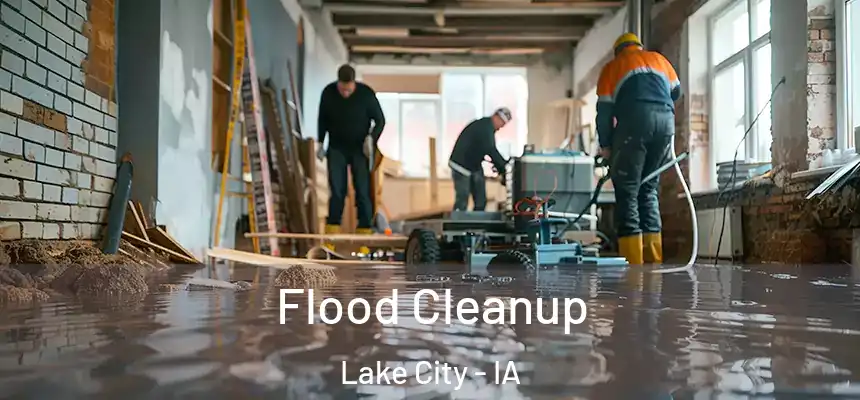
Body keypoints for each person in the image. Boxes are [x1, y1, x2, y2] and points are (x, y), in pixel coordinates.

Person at [595, 32, 682, 265]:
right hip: (666, 123)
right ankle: (654, 260)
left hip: (635, 122)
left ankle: (633, 264)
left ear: (618, 51)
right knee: (649, 189)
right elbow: (676, 92)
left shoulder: (613, 67)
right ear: (638, 46)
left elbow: (604, 112)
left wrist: (606, 146)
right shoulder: (660, 60)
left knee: (628, 191)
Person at [316, 64, 386, 237]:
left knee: (362, 191)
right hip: (336, 148)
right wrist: (319, 142)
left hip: (359, 149)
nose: (345, 94)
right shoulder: (328, 93)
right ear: (338, 83)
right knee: (337, 191)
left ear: (354, 84)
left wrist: (371, 138)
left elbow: (380, 120)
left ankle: (364, 233)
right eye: (342, 90)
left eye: (348, 90)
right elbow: (322, 119)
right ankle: (332, 233)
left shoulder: (366, 94)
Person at [448, 107, 512, 211]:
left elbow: (486, 150)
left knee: (480, 199)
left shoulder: (487, 127)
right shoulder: (485, 127)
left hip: (473, 165)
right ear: (496, 117)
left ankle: (477, 222)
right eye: (502, 123)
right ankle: (458, 224)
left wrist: (501, 167)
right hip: (461, 165)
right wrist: (504, 167)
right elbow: (490, 150)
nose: (501, 127)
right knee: (462, 199)